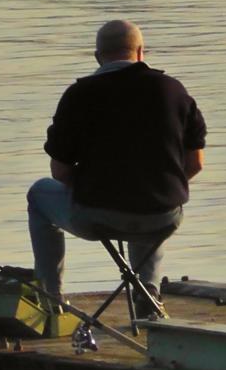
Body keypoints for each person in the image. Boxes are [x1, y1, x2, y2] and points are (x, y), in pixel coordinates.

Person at [26, 20, 206, 316]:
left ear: (98, 56)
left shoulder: (78, 95)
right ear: (141, 52)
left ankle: (51, 300)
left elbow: (60, 173)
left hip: (95, 216)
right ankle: (147, 291)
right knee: (150, 201)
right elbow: (195, 164)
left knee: (38, 195)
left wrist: (96, 189)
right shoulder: (174, 91)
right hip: (162, 218)